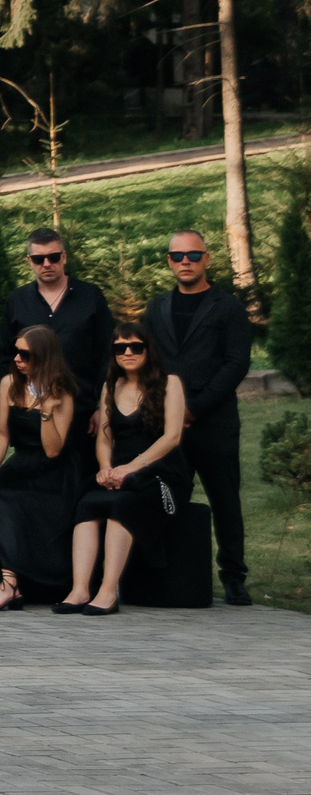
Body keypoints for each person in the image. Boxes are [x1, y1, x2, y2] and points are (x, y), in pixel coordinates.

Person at [144, 230, 253, 605]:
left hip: (215, 421)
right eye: (176, 256)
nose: (184, 261)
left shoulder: (227, 307)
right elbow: (147, 361)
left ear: (207, 258)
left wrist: (197, 406)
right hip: (166, 424)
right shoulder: (156, 308)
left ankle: (234, 575)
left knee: (225, 500)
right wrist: (166, 407)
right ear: (169, 261)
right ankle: (173, 571)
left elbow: (237, 362)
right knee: (168, 497)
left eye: (193, 254)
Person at [61, 319, 192, 616]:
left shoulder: (170, 383)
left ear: (148, 349)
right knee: (87, 504)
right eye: (120, 348)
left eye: (135, 346)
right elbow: (105, 438)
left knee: (122, 504)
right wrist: (106, 468)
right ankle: (80, 588)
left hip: (161, 471)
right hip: (121, 471)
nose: (128, 352)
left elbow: (172, 437)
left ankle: (108, 591)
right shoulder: (111, 386)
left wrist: (132, 467)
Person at [0, 325, 80, 610]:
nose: (17, 359)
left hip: (54, 471)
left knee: (15, 501)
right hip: (21, 462)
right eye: (15, 352)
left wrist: (45, 413)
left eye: (25, 354)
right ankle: (8, 580)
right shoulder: (10, 383)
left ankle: (8, 584)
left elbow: (54, 449)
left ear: (43, 356)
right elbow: (3, 432)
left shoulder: (62, 391)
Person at [3, 228, 111, 468]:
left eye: (53, 257)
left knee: (82, 485)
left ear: (64, 257)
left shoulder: (90, 296)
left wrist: (100, 406)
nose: (47, 264)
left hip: (84, 412)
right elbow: (6, 356)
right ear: (29, 261)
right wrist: (18, 406)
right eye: (39, 259)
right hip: (34, 412)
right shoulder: (17, 301)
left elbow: (106, 355)